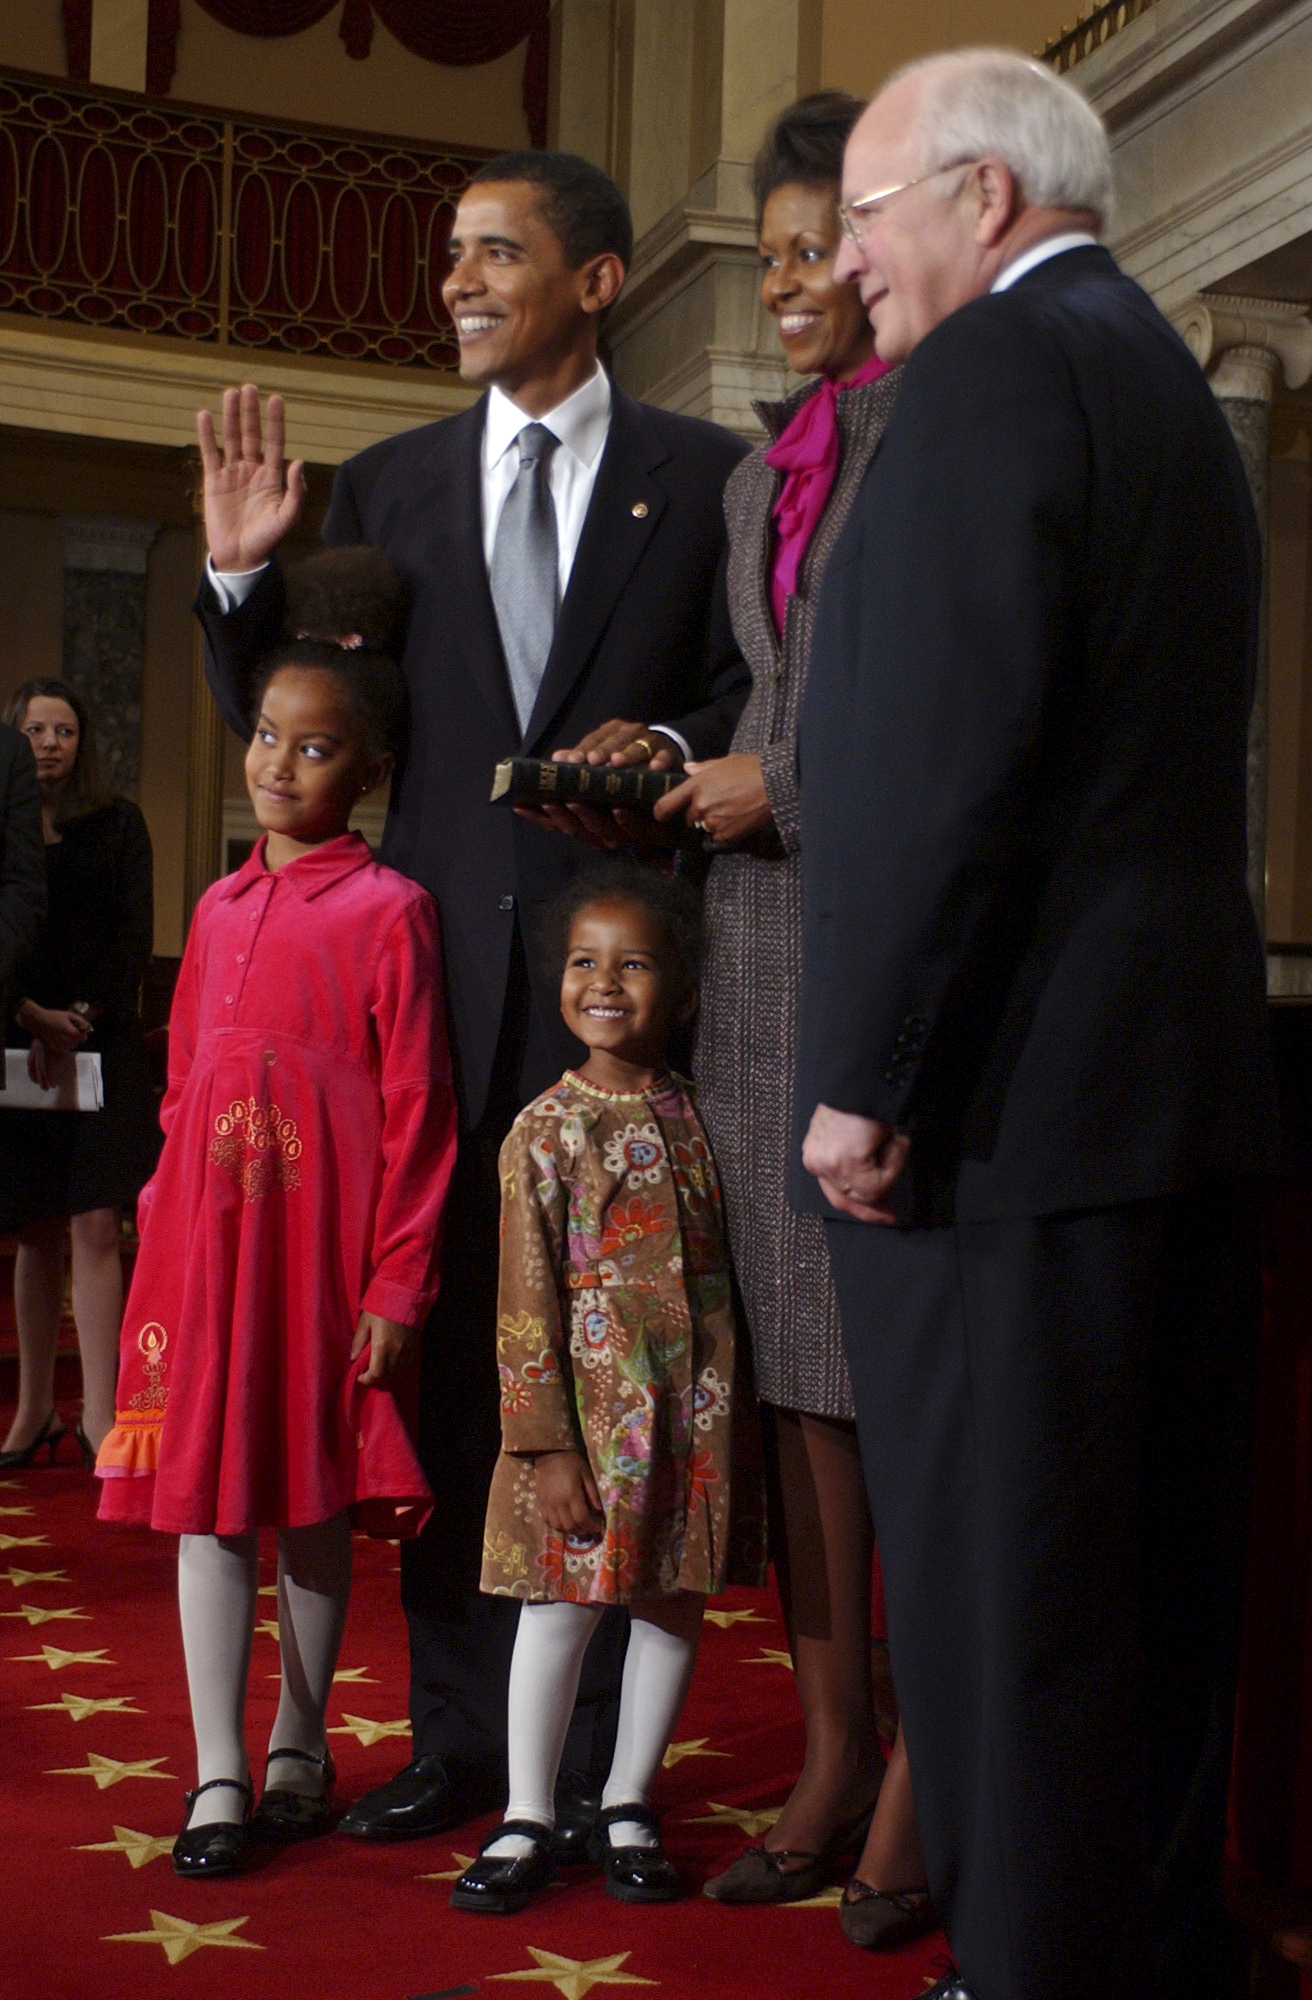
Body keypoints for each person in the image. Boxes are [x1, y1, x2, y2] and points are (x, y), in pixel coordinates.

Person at [195, 149, 750, 1847]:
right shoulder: (385, 487)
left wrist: (661, 754)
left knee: (612, 1374)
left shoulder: (706, 477)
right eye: (450, 255)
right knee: (456, 1376)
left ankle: (590, 1765)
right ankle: (454, 1740)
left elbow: (738, 690)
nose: (454, 281)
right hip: (424, 997)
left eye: (493, 253)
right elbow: (314, 727)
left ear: (591, 281)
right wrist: (235, 591)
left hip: (612, 998)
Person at [796, 49, 1277, 2000]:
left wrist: (862, 1080)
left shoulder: (988, 372)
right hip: (1161, 1098)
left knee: (1009, 1613)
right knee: (1142, 1601)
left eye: (865, 214)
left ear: (978, 198)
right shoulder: (1155, 373)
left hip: (997, 1117)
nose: (846, 265)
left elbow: (941, 764)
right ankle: (1142, 1954)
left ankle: (1025, 1970)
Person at [655, 94, 928, 1948]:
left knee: (877, 1387)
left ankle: (906, 1761)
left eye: (808, 244)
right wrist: (678, 765)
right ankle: (831, 1740)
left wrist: (782, 784)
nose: (784, 285)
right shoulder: (762, 476)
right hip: (748, 956)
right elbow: (749, 696)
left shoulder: (943, 431)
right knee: (781, 1388)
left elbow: (940, 718)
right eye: (761, 257)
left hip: (877, 940)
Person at [95, 553, 458, 1880]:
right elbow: (187, 1088)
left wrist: (397, 1286)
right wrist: (154, 1225)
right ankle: (216, 1770)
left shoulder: (391, 912)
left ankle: (302, 1738)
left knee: (308, 1503)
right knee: (205, 1508)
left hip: (318, 1261)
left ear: (365, 770)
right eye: (264, 736)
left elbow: (420, 1114)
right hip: (205, 1255)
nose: (278, 764)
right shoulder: (216, 903)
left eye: (315, 748)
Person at [453, 861, 760, 1914]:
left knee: (672, 1599)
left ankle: (629, 1797)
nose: (605, 982)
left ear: (675, 984)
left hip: (692, 1408)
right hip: (585, 1416)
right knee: (562, 1608)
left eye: (633, 963)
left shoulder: (701, 1112)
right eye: (586, 961)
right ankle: (527, 1808)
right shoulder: (545, 1127)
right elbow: (523, 1296)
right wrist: (542, 1441)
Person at [0, 681, 155, 1470]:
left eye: (64, 729)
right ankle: (32, 1410)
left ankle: (100, 1414)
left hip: (102, 1043)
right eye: (35, 728)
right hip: (15, 1041)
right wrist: (28, 1013)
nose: (50, 742)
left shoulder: (120, 822)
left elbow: (135, 938)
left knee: (96, 1226)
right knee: (33, 1231)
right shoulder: (4, 826)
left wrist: (78, 1019)